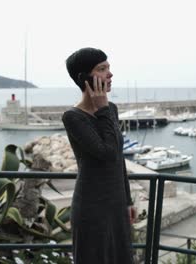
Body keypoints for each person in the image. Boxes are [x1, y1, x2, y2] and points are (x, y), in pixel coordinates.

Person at [62, 47, 136, 264]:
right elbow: (107, 152)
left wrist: (128, 199)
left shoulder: (111, 109)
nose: (110, 74)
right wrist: (102, 108)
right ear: (84, 78)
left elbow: (118, 158)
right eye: (102, 69)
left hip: (116, 203)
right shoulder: (73, 117)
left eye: (109, 68)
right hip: (92, 206)